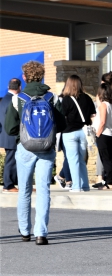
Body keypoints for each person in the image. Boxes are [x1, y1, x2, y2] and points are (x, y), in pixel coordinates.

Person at [4, 61, 67, 245]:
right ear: (42, 76)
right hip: (46, 148)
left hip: (25, 148)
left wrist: (23, 136)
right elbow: (62, 124)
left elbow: (9, 128)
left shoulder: (18, 98)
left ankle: (24, 231)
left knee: (24, 190)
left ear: (24, 77)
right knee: (43, 190)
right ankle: (41, 233)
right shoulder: (52, 97)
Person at [58, 74, 96, 192]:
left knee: (72, 159)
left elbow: (62, 116)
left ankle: (76, 186)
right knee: (81, 160)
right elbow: (92, 115)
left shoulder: (66, 100)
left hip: (69, 132)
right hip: (83, 132)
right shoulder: (87, 98)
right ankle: (85, 185)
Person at [93, 83, 112, 190]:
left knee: (106, 158)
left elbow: (102, 121)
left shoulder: (103, 105)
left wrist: (98, 133)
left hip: (103, 133)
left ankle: (109, 182)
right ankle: (110, 180)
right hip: (111, 133)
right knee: (110, 157)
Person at [0, 78, 21, 193]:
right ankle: (8, 185)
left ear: (9, 87)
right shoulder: (14, 100)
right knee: (11, 161)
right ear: (19, 87)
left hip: (5, 134)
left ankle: (13, 184)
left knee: (12, 159)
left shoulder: (4, 99)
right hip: (11, 135)